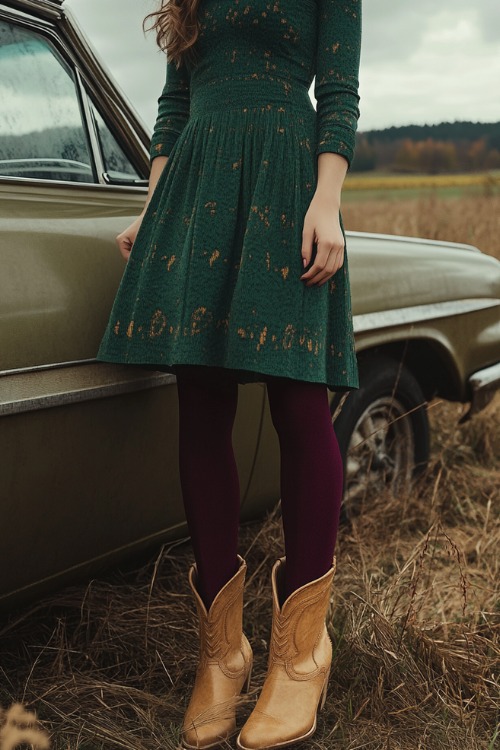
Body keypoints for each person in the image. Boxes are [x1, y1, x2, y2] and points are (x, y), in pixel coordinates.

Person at [96, 0, 362, 747]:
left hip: (286, 182)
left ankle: (304, 653)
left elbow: (339, 90)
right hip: (197, 194)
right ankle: (223, 654)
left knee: (300, 408)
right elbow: (174, 106)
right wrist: (155, 211)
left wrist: (328, 201)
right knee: (200, 411)